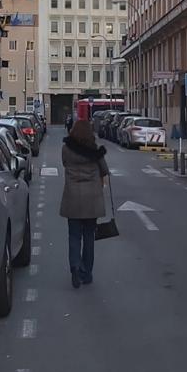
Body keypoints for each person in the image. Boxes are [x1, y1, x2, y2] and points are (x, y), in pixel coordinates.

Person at [59, 119, 109, 288]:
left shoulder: (66, 149)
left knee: (73, 235)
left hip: (72, 197)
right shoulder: (94, 151)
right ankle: (86, 273)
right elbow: (104, 169)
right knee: (89, 236)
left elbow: (64, 163)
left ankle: (74, 265)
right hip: (92, 199)